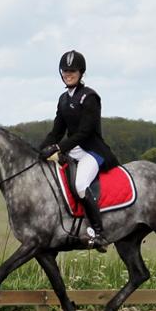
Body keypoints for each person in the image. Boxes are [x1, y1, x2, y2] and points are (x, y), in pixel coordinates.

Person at [38, 49, 120, 250]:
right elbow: (56, 131)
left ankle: (99, 233)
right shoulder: (63, 99)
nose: (68, 74)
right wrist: (39, 151)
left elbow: (84, 132)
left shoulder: (89, 97)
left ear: (81, 72)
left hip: (93, 151)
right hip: (74, 150)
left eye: (72, 71)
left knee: (81, 184)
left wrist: (58, 148)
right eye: (65, 71)